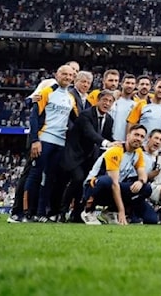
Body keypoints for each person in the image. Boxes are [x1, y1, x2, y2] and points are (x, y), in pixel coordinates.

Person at [24, 64, 79, 222]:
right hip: (44, 139)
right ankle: (28, 213)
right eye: (65, 74)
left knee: (50, 178)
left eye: (70, 75)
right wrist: (35, 139)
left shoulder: (70, 98)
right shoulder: (46, 92)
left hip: (60, 143)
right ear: (57, 75)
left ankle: (41, 213)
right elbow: (34, 117)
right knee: (35, 175)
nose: (68, 78)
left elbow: (78, 119)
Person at [80, 125, 158, 226]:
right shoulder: (116, 151)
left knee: (146, 188)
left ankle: (110, 212)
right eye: (136, 135)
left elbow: (142, 174)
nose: (138, 138)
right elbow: (114, 184)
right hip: (94, 186)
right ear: (128, 136)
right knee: (107, 181)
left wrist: (140, 181)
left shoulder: (138, 152)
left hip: (114, 188)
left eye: (142, 136)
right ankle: (88, 211)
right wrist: (122, 211)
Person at [59, 90, 117, 223]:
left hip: (90, 157)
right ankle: (62, 212)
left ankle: (77, 214)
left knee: (86, 184)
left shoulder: (109, 119)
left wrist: (119, 144)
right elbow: (90, 133)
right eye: (105, 100)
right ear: (98, 100)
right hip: (74, 154)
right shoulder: (86, 115)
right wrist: (107, 143)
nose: (107, 104)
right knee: (77, 179)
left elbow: (107, 137)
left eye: (110, 101)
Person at [126, 78, 161, 143]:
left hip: (156, 145)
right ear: (154, 87)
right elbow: (131, 124)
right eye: (159, 87)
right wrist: (129, 141)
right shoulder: (142, 104)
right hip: (140, 144)